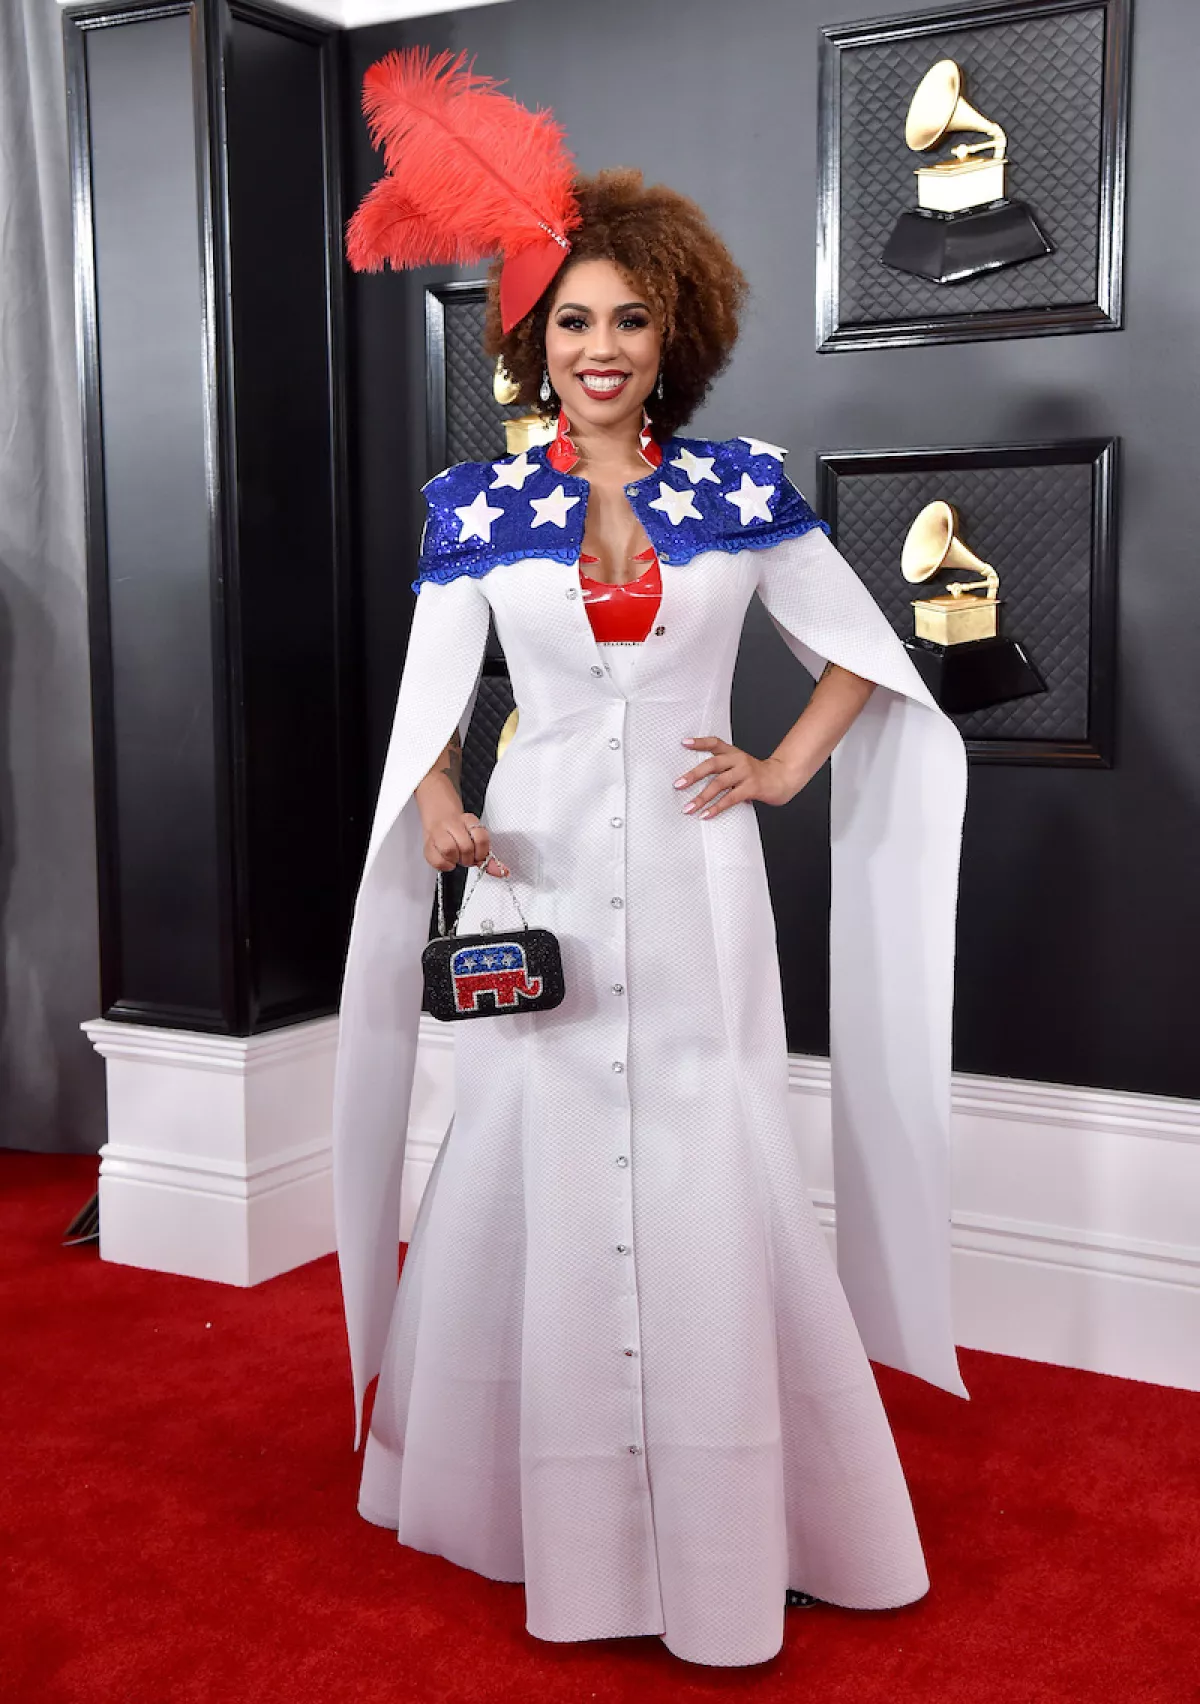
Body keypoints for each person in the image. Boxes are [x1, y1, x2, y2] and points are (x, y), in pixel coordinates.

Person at [334, 48, 969, 1670]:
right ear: (532, 341)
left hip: (696, 895)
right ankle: (528, 1506)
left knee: (708, 1158)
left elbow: (866, 652)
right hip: (534, 875)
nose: (600, 347)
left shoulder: (743, 489)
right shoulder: (475, 509)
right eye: (572, 321)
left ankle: (747, 1511)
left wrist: (774, 770)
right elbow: (424, 708)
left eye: (627, 319)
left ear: (670, 331)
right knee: (527, 1156)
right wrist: (444, 815)